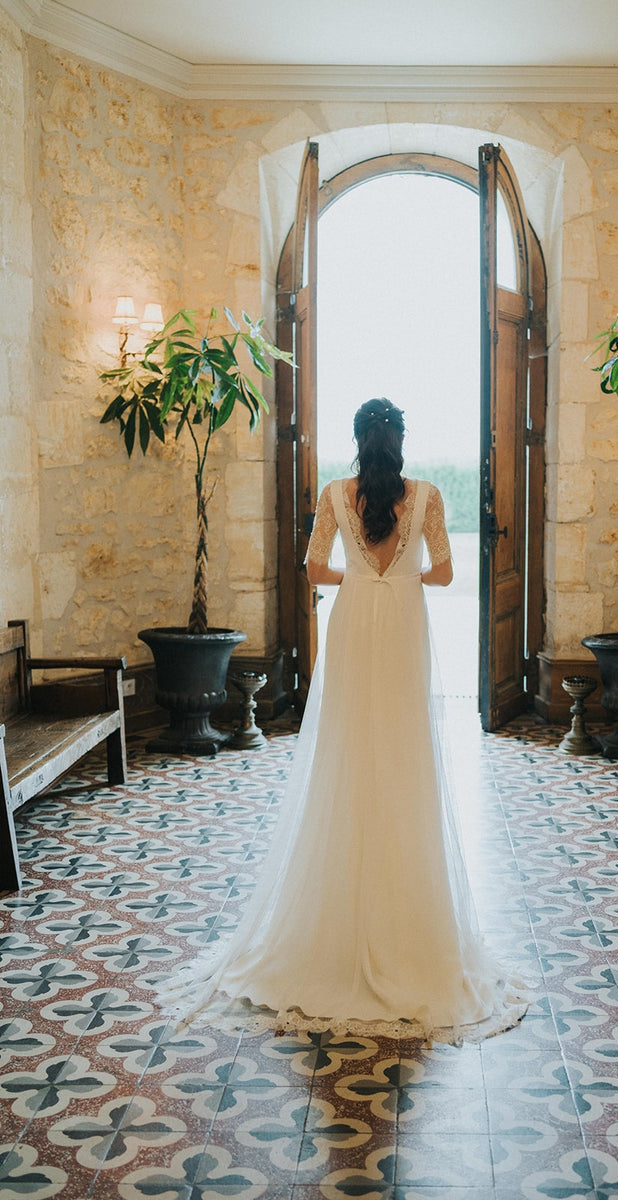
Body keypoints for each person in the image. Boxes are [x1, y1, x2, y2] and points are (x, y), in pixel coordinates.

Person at [160, 398, 528, 1042]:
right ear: (401, 441)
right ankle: (410, 916)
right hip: (404, 627)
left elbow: (310, 569)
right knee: (405, 754)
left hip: (355, 624)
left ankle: (334, 911)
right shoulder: (430, 495)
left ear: (358, 441)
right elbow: (443, 574)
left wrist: (358, 575)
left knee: (348, 752)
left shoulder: (335, 493)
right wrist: (399, 574)